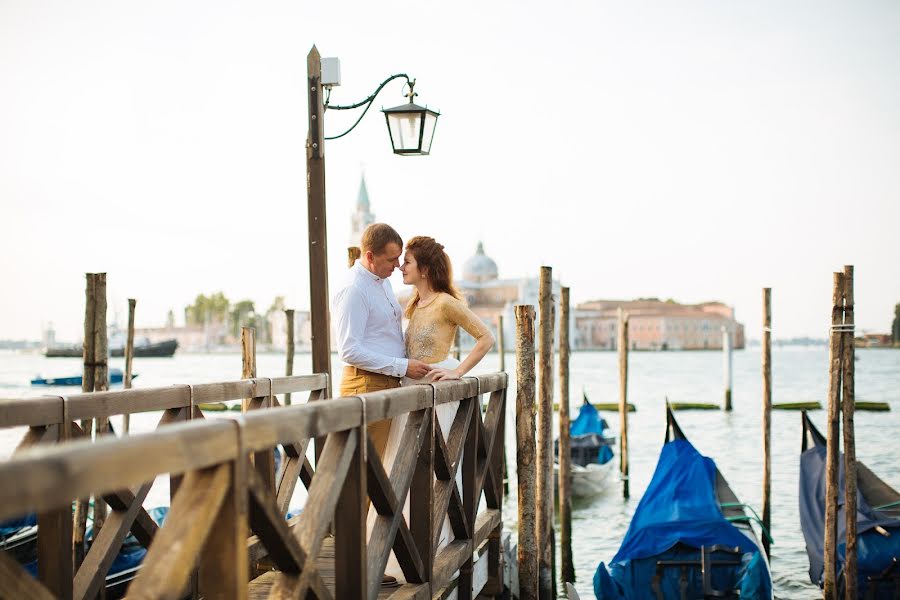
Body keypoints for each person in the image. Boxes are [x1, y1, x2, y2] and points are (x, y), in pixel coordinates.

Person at [377, 235, 495, 580]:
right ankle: (400, 550)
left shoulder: (445, 302)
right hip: (408, 395)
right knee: (401, 471)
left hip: (435, 396)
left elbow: (486, 337)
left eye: (408, 262)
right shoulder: (414, 304)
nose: (401, 266)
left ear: (425, 269)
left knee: (432, 473)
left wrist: (457, 371)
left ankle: (433, 550)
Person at [332, 223, 433, 460]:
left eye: (399, 258)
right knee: (366, 473)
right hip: (366, 385)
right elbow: (348, 350)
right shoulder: (354, 289)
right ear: (369, 256)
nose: (397, 266)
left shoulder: (383, 280)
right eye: (391, 259)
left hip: (386, 384)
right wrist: (403, 366)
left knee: (383, 468)